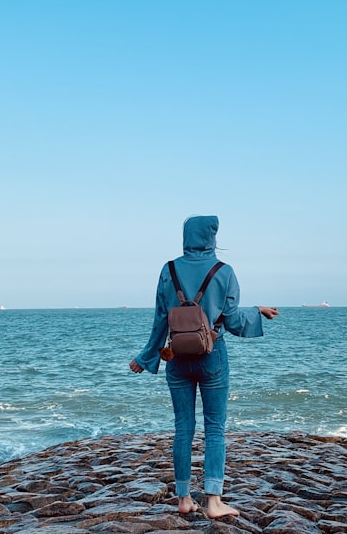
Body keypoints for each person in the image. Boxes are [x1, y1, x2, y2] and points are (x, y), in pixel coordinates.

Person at [129, 215, 279, 518]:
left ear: (186, 236)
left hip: (177, 358)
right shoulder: (224, 272)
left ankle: (183, 499)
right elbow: (234, 320)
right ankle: (213, 502)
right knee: (215, 428)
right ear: (212, 238)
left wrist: (146, 358)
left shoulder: (168, 269)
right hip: (212, 355)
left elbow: (161, 318)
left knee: (183, 428)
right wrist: (258, 312)